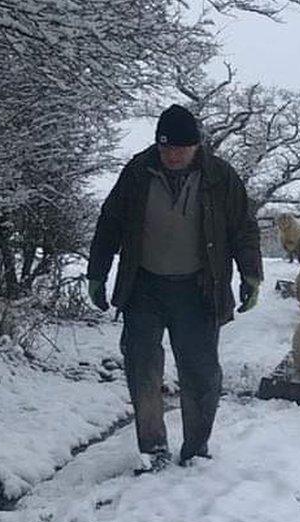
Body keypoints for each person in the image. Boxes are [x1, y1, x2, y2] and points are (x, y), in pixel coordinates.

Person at [86, 104, 262, 473]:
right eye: (166, 148)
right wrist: (97, 273)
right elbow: (110, 223)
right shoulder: (138, 171)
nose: (172, 155)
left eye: (180, 148)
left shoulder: (219, 176)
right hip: (144, 286)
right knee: (142, 367)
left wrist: (251, 275)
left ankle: (196, 449)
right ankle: (152, 447)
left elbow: (243, 228)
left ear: (196, 146)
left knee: (200, 373)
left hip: (199, 287)